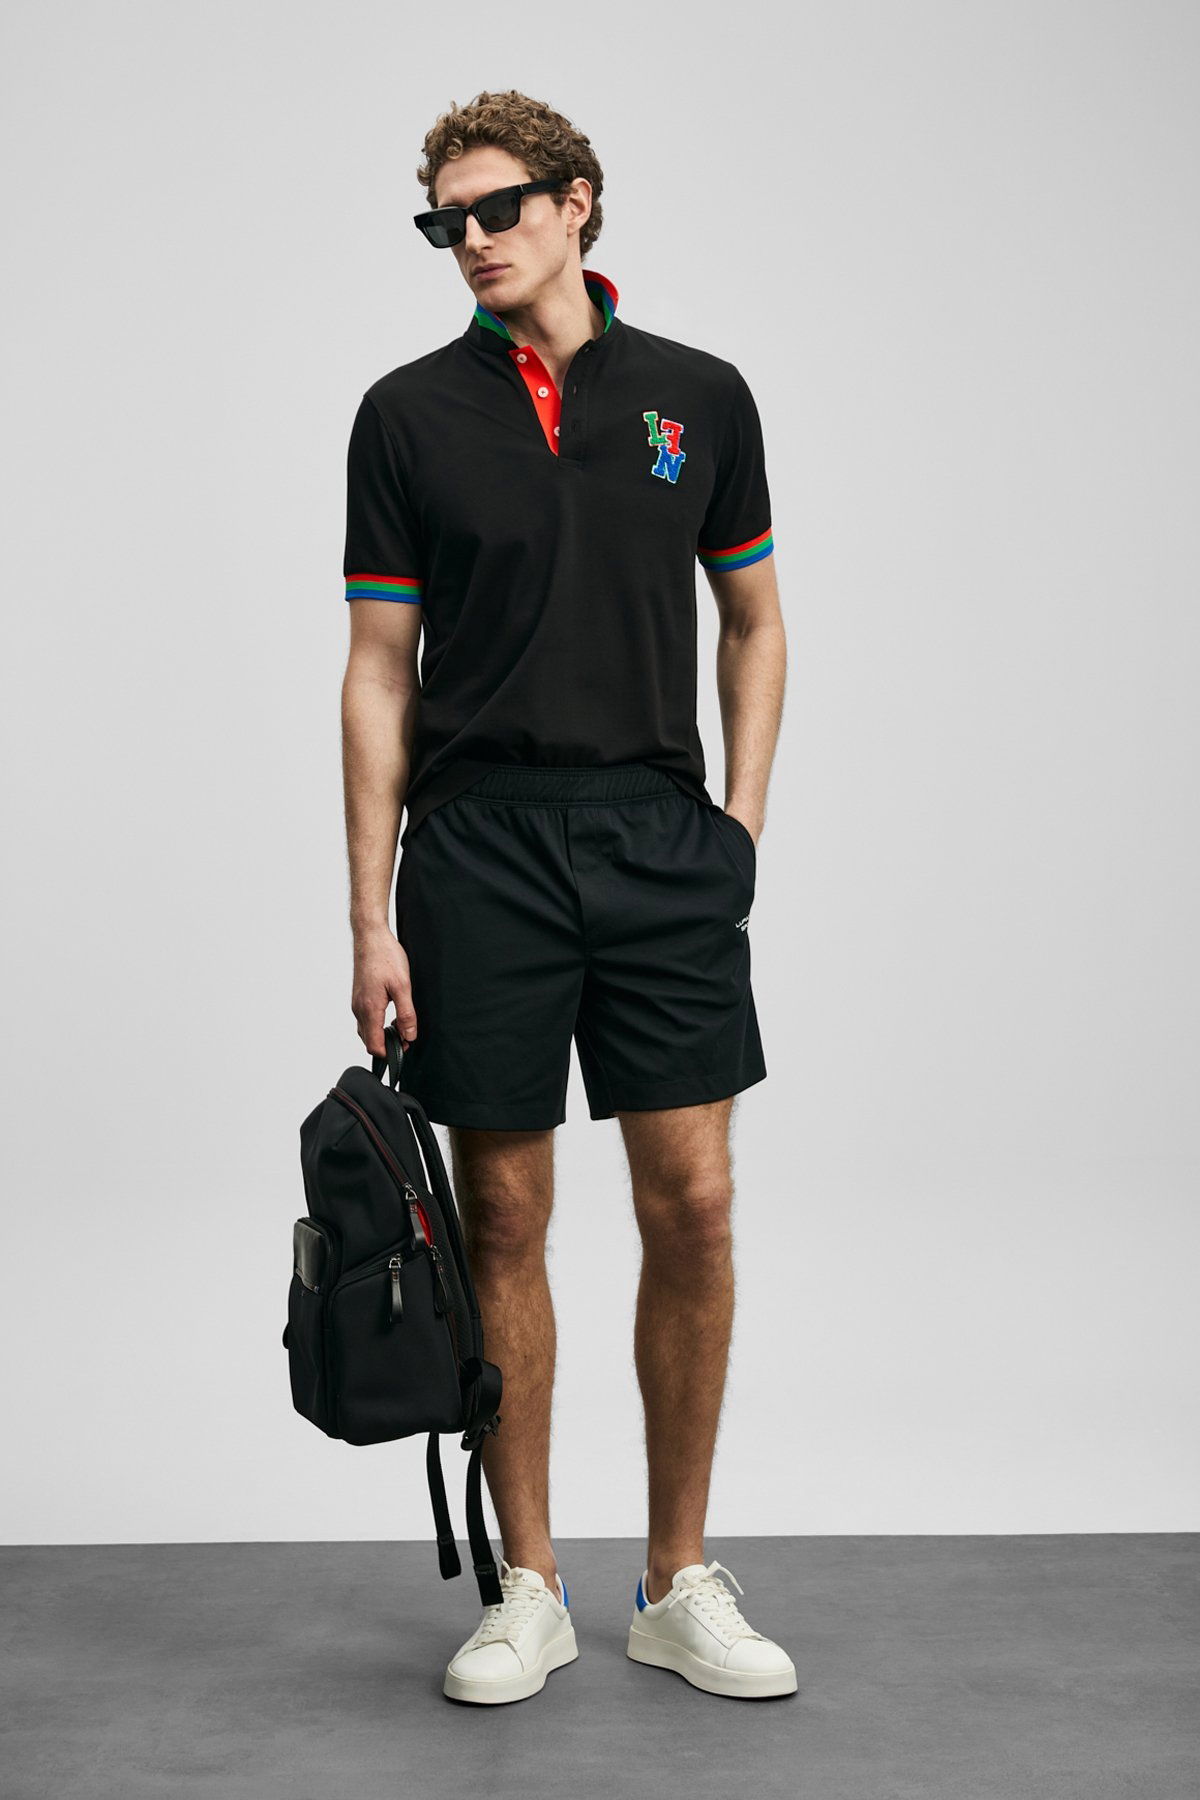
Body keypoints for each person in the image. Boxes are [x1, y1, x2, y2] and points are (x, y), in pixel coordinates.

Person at [340, 89, 793, 1704]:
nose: (470, 240)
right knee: (507, 1215)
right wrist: (371, 912)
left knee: (696, 1203)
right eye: (444, 221)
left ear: (578, 201)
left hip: (660, 844)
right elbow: (377, 670)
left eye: (498, 208)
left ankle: (677, 1579)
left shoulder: (699, 396)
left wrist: (737, 829)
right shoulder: (406, 415)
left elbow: (755, 620)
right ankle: (527, 1584)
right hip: (481, 848)